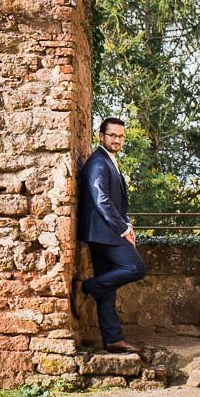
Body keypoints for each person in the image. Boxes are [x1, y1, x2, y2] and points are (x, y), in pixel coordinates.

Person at [76, 117, 147, 356]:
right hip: (102, 233)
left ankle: (113, 339)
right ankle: (89, 287)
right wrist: (123, 230)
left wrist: (127, 223)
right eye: (112, 135)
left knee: (109, 287)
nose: (117, 140)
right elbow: (101, 200)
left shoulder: (109, 161)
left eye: (120, 136)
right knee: (135, 267)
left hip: (105, 231)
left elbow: (115, 201)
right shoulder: (98, 162)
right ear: (101, 136)